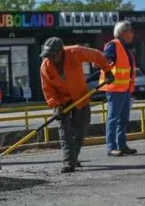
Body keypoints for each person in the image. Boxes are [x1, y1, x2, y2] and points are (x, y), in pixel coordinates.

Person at [40, 37, 114, 173]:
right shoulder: (45, 66)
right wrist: (55, 105)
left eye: (51, 55)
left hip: (80, 97)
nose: (49, 58)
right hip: (61, 102)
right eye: (47, 55)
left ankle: (73, 157)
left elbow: (97, 56)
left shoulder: (75, 52)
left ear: (60, 52)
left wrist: (107, 71)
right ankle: (68, 161)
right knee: (65, 132)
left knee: (79, 130)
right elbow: (47, 89)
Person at [102, 20, 137, 157]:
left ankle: (122, 145)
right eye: (131, 31)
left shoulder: (124, 47)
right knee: (113, 119)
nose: (133, 33)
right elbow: (105, 60)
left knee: (123, 120)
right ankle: (111, 147)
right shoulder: (114, 45)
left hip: (125, 89)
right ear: (123, 32)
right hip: (115, 89)